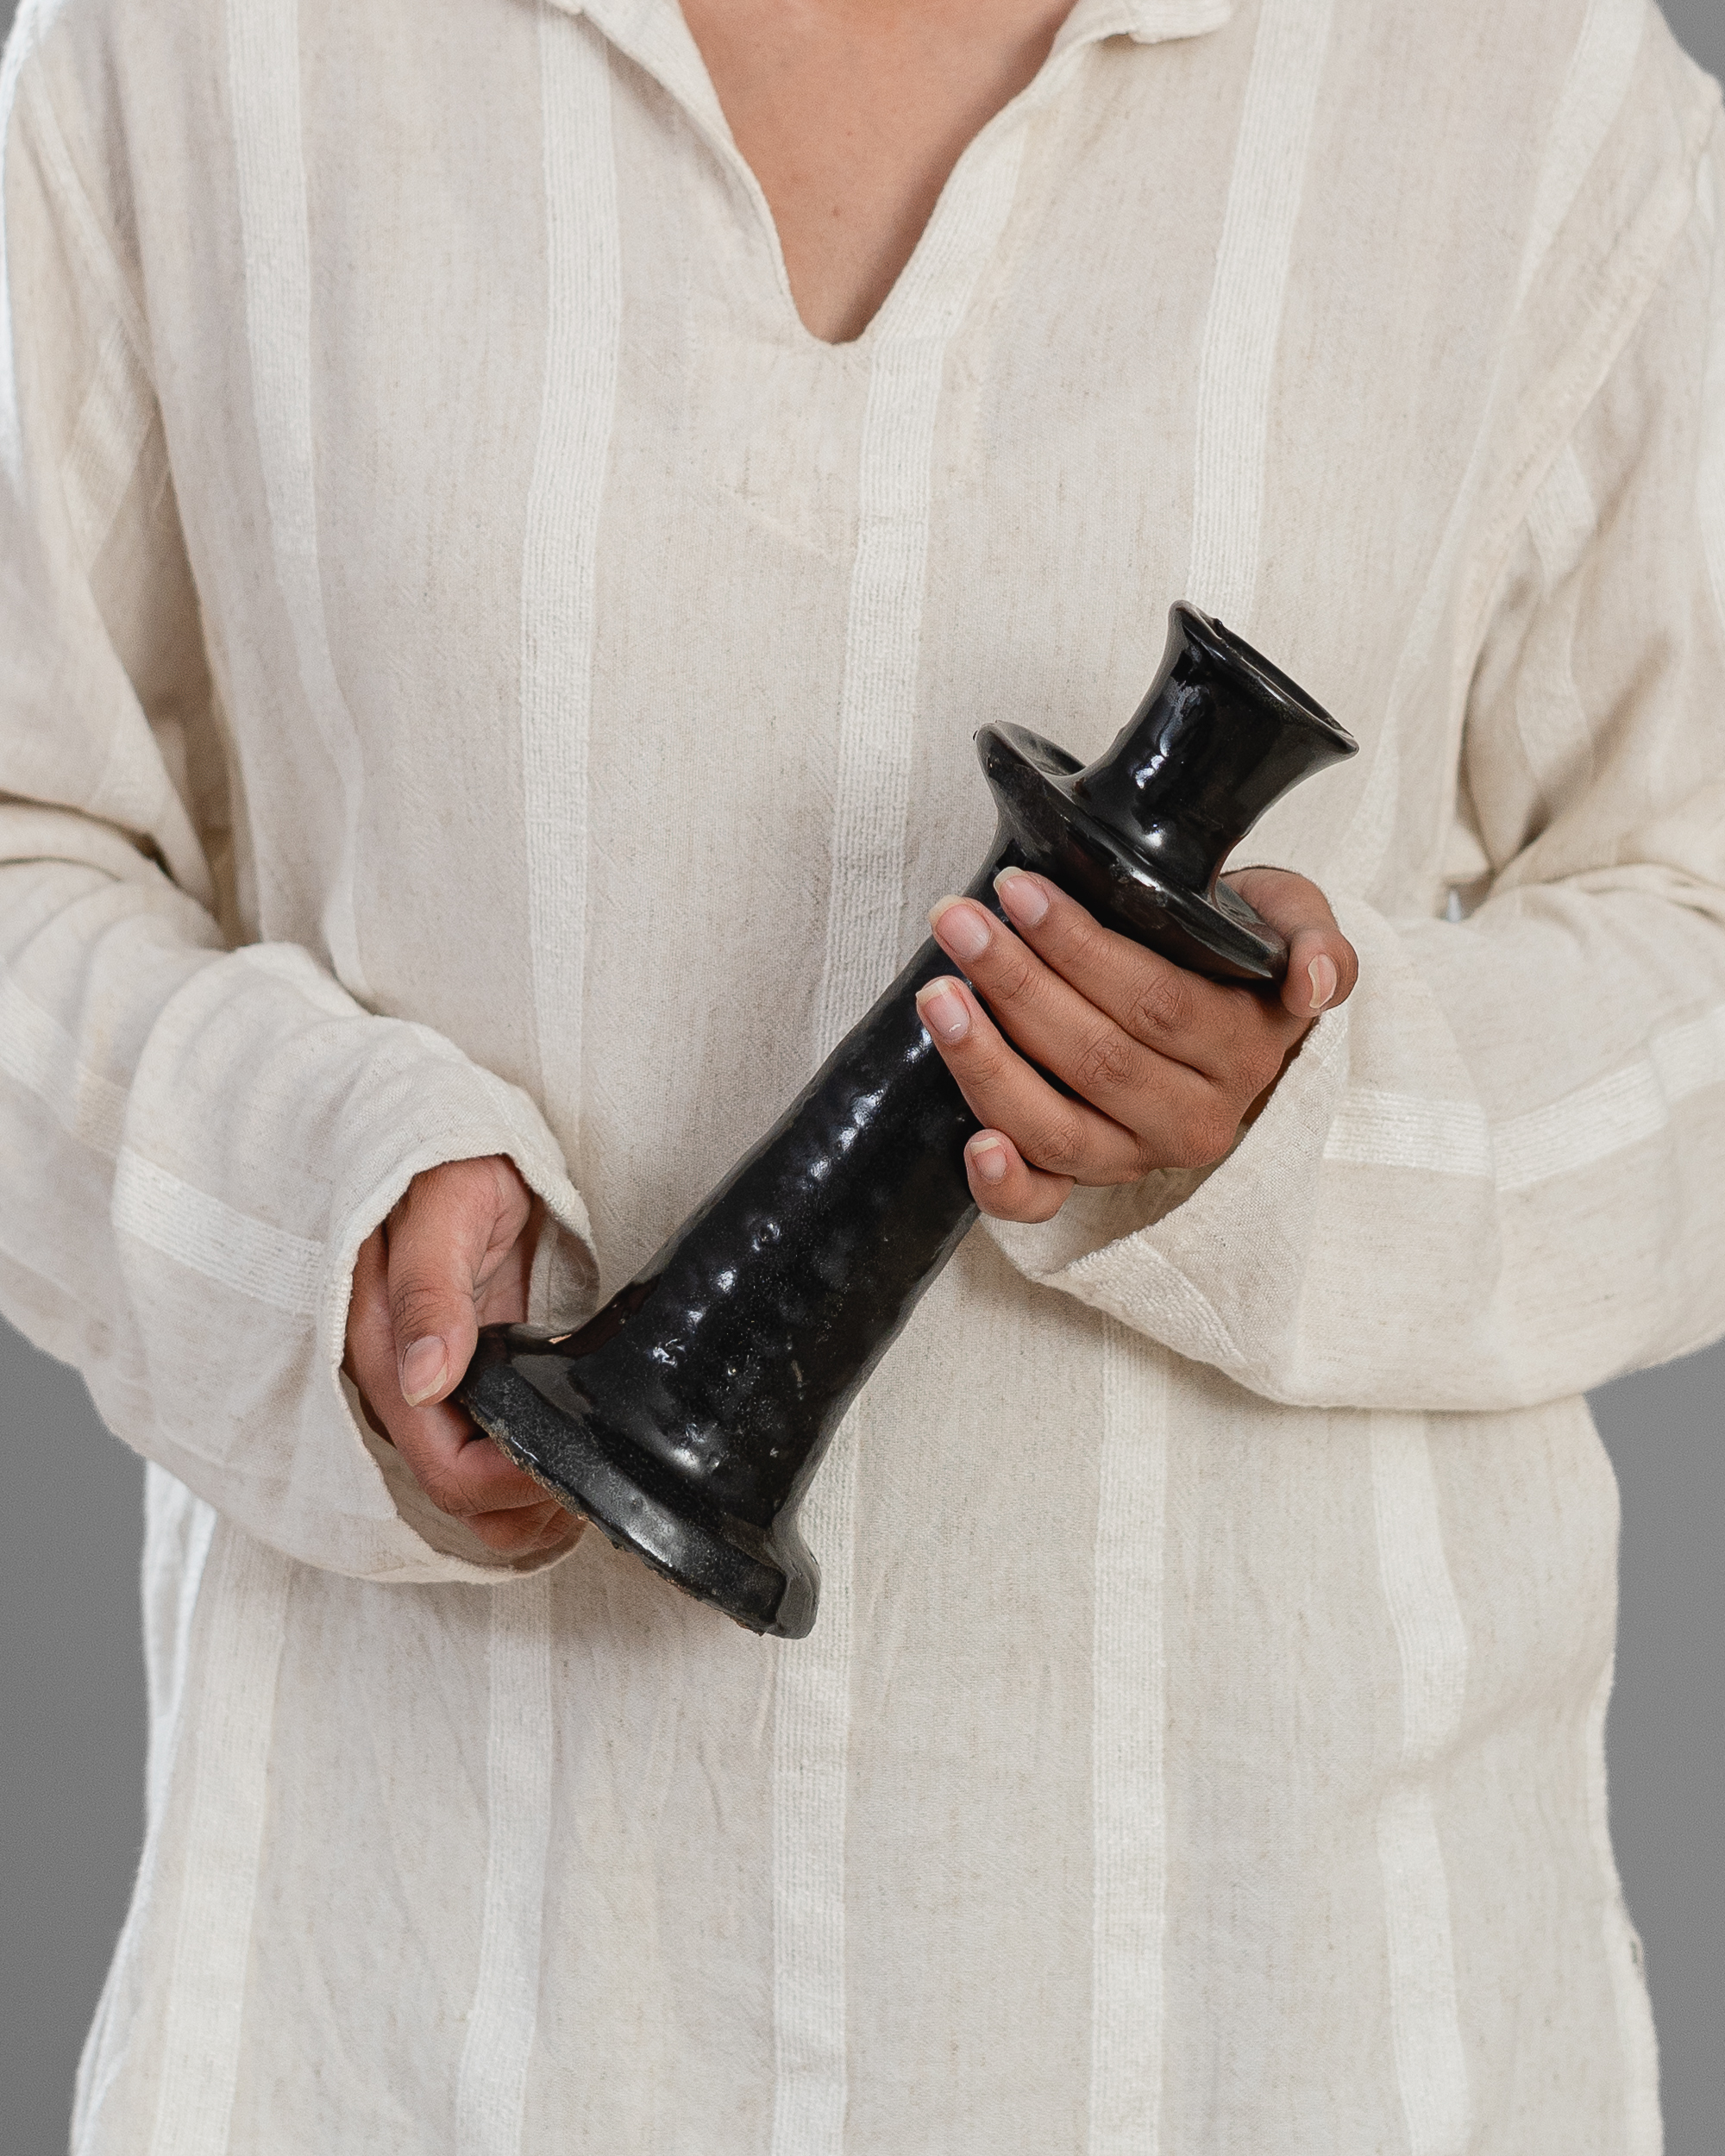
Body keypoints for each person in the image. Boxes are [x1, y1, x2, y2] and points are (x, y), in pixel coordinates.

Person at [2, 0, 1720, 2145]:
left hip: (1282, 2028)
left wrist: (1296, 1118)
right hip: (417, 2024)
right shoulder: (189, 48)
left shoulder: (1528, 82)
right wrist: (313, 1207)